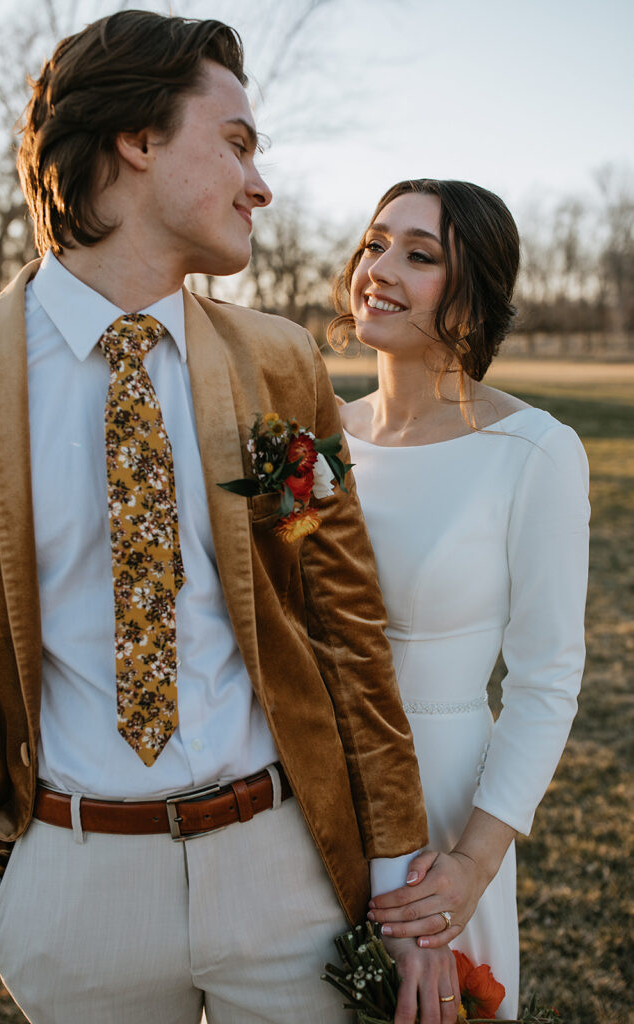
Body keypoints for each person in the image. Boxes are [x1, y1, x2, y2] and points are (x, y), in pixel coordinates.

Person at [0, 14, 461, 1024]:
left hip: (286, 875)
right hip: (69, 902)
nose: (258, 184)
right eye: (234, 142)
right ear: (136, 139)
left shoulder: (278, 365)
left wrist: (401, 881)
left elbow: (344, 626)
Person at [332, 179, 590, 1019]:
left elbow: (545, 678)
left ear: (472, 291)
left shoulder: (532, 451)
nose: (380, 268)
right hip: (298, 786)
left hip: (440, 805)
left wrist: (472, 864)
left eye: (419, 255)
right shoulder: (312, 438)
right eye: (374, 244)